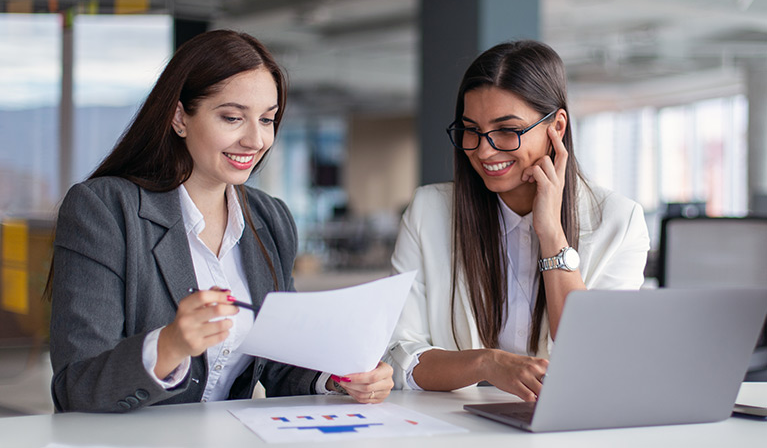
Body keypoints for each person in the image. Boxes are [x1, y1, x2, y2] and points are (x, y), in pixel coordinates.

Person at [47, 30, 392, 413]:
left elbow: (277, 364)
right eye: (232, 117)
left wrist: (337, 377)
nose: (255, 140)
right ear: (179, 117)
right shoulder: (105, 209)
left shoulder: (269, 218)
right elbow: (75, 385)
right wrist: (169, 346)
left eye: (267, 119)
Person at [384, 40, 650, 401]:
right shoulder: (428, 211)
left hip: (568, 425)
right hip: (453, 427)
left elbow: (595, 356)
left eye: (507, 130)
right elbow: (400, 355)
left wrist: (551, 233)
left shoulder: (619, 223)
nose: (484, 150)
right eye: (471, 130)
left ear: (556, 126)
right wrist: (486, 363)